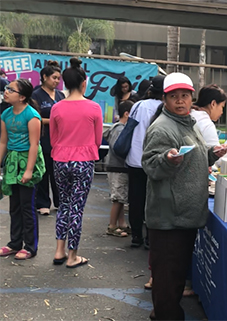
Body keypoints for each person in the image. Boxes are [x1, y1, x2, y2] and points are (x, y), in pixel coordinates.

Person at [142, 72, 227, 320]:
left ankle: (162, 312)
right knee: (168, 278)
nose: (180, 101)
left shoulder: (187, 123)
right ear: (165, 99)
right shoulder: (163, 128)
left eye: (185, 96)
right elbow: (150, 165)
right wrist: (168, 160)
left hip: (183, 216)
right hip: (170, 217)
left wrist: (212, 153)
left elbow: (194, 157)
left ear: (192, 98)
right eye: (174, 96)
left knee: (174, 275)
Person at [50, 57, 103, 268]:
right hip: (83, 161)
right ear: (84, 83)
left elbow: (53, 138)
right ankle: (73, 256)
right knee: (76, 208)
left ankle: (59, 250)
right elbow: (98, 140)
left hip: (60, 160)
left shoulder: (57, 108)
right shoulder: (94, 108)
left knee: (63, 205)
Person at [0, 79, 45, 260]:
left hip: (28, 161)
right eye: (6, 88)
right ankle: (14, 243)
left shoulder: (32, 115)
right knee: (14, 206)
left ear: (23, 97)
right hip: (12, 162)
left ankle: (30, 246)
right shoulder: (5, 114)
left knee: (27, 206)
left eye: (11, 90)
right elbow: (3, 141)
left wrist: (28, 171)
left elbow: (34, 145)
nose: (6, 91)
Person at [125, 75, 165, 248]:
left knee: (135, 198)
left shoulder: (138, 105)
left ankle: (136, 236)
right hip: (155, 160)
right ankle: (150, 237)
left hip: (134, 158)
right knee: (153, 201)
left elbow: (129, 127)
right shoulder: (165, 108)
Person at [32, 60, 65, 215]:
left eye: (59, 78)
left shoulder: (60, 95)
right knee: (44, 172)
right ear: (44, 77)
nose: (57, 81)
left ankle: (59, 202)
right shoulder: (36, 95)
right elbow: (35, 118)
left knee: (58, 172)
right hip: (43, 137)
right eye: (54, 78)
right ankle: (43, 203)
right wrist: (53, 121)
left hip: (59, 140)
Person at [103, 100, 133, 237]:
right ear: (127, 114)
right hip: (117, 167)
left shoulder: (117, 128)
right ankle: (112, 225)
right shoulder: (120, 129)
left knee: (121, 198)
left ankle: (122, 224)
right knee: (118, 198)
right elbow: (118, 148)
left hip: (118, 167)